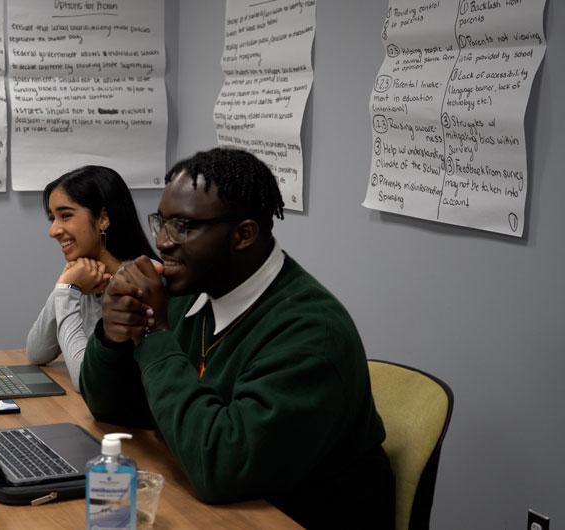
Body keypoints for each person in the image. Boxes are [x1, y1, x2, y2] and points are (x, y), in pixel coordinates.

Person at [79, 148, 395, 529]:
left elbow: (221, 466)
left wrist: (154, 334)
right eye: (161, 222)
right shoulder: (192, 292)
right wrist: (113, 337)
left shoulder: (311, 332)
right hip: (209, 502)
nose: (162, 242)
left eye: (182, 226)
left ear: (243, 234)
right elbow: (109, 408)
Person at [26, 165, 156, 391]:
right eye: (52, 218)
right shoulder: (84, 274)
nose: (53, 230)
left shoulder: (142, 281)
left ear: (103, 218)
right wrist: (66, 285)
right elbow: (37, 352)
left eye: (65, 216)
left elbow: (87, 380)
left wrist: (67, 290)